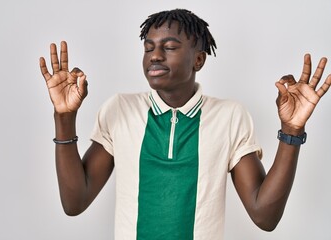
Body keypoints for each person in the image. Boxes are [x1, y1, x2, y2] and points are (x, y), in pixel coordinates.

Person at [39, 8, 331, 240]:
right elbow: (74, 203)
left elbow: (264, 217)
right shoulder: (120, 109)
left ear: (199, 60)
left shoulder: (230, 116)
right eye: (149, 47)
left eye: (170, 47)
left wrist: (292, 132)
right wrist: (64, 117)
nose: (155, 55)